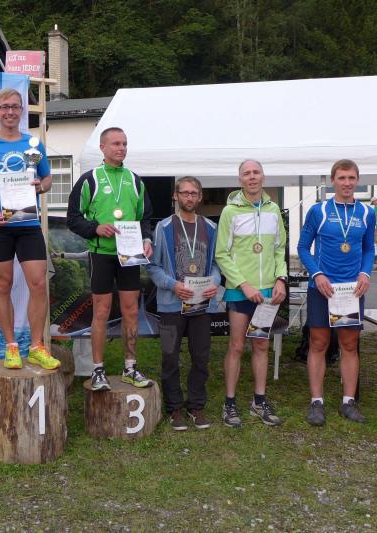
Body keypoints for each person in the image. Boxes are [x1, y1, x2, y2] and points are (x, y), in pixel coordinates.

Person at [0, 87, 60, 371]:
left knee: (38, 284)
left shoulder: (34, 144)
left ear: (22, 110)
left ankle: (36, 346)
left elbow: (47, 179)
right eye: (5, 107)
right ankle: (10, 346)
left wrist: (39, 187)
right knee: (3, 285)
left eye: (15, 106)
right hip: (0, 226)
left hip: (28, 224)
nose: (10, 111)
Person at [67, 127, 153, 391]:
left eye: (124, 144)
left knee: (131, 310)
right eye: (116, 143)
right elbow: (73, 218)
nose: (121, 148)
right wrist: (95, 228)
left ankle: (130, 367)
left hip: (129, 254)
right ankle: (97, 369)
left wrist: (147, 239)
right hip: (101, 254)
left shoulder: (135, 180)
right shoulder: (89, 179)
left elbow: (145, 217)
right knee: (102, 312)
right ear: (102, 147)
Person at [298, 159, 375, 426]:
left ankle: (348, 402)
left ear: (357, 180)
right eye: (342, 178)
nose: (347, 183)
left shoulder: (366, 213)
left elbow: (369, 249)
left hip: (351, 290)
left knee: (349, 345)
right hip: (323, 288)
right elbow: (303, 247)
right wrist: (317, 274)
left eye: (351, 178)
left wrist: (365, 273)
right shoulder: (318, 211)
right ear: (333, 180)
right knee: (318, 343)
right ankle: (316, 402)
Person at [215, 160, 287, 427]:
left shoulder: (273, 210)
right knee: (236, 346)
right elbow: (221, 253)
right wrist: (243, 284)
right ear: (240, 180)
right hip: (239, 291)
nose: (252, 177)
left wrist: (281, 279)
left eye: (256, 172)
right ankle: (229, 403)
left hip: (267, 291)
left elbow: (279, 248)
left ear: (263, 177)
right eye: (247, 173)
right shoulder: (229, 212)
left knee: (261, 344)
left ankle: (259, 401)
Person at [147, 176, 220, 430]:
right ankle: (174, 407)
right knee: (170, 356)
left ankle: (196, 406)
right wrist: (172, 284)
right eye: (185, 193)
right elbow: (152, 266)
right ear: (175, 196)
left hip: (201, 305)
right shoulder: (164, 227)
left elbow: (216, 263)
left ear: (199, 197)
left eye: (194, 193)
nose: (189, 197)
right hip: (171, 304)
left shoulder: (210, 227)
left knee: (201, 357)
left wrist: (215, 281)